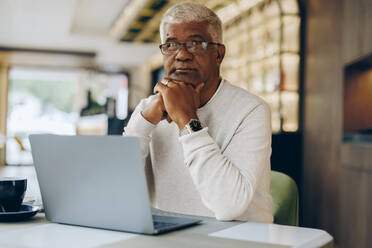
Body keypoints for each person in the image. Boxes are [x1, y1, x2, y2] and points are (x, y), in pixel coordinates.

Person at [123, 2, 273, 222]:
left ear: (218, 55)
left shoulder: (252, 110)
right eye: (171, 44)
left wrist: (187, 119)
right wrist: (144, 122)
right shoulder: (148, 108)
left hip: (235, 239)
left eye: (195, 43)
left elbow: (228, 206)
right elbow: (120, 190)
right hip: (170, 237)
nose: (182, 55)